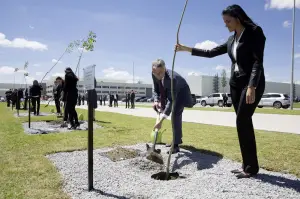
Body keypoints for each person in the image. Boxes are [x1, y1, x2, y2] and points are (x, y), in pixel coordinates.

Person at [175, 4, 266, 178]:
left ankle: (251, 168)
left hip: (251, 84)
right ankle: (247, 165)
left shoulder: (255, 32)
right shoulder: (232, 40)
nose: (226, 25)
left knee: (242, 120)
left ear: (238, 18)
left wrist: (252, 86)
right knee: (242, 123)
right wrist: (185, 49)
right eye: (224, 21)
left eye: (228, 21)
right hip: (235, 85)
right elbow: (211, 53)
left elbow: (257, 61)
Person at [152, 59, 194, 154]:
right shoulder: (154, 74)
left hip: (181, 94)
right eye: (156, 73)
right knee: (163, 110)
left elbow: (171, 100)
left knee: (175, 115)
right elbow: (156, 89)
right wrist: (156, 100)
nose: (158, 76)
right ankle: (175, 141)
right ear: (153, 70)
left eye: (160, 73)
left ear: (164, 68)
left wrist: (161, 121)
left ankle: (175, 145)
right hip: (170, 93)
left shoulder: (172, 79)